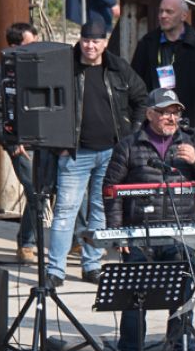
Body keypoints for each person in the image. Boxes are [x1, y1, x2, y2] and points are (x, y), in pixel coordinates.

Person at [101, 88, 195, 351]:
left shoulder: (190, 144)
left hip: (182, 236)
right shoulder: (130, 145)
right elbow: (110, 191)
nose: (171, 117)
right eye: (165, 111)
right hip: (140, 236)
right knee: (134, 301)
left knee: (183, 302)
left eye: (175, 112)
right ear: (150, 114)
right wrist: (118, 236)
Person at [45, 16, 148, 288]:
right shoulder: (65, 66)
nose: (90, 46)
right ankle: (55, 269)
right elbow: (46, 106)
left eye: (96, 41)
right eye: (86, 40)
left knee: (100, 210)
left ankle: (91, 265)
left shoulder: (118, 68)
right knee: (66, 211)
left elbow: (142, 98)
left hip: (111, 152)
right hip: (75, 153)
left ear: (104, 43)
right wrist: (59, 145)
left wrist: (132, 134)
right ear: (80, 40)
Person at [0, 20, 43, 264]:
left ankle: (78, 239)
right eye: (30, 45)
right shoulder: (1, 74)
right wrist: (11, 143)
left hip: (43, 142)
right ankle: (26, 242)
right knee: (35, 192)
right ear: (16, 47)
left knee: (53, 189)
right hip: (20, 146)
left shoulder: (39, 67)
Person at [129, 0, 195, 130]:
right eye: (160, 11)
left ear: (183, 16)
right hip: (154, 126)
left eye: (169, 11)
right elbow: (134, 84)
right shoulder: (147, 44)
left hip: (190, 125)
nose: (163, 15)